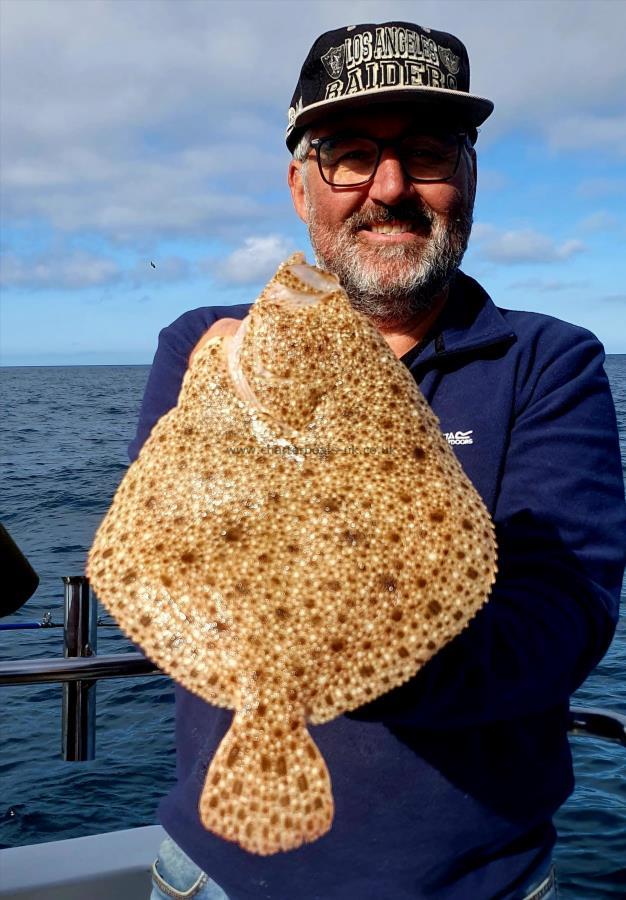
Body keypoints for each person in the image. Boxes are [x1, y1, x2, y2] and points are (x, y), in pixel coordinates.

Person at [133, 22, 626, 900]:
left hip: (477, 884)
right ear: (299, 184)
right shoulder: (205, 346)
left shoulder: (552, 361)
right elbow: (164, 558)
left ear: (469, 176)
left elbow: (566, 614)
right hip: (210, 876)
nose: (389, 188)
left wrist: (355, 657)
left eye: (428, 153)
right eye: (349, 154)